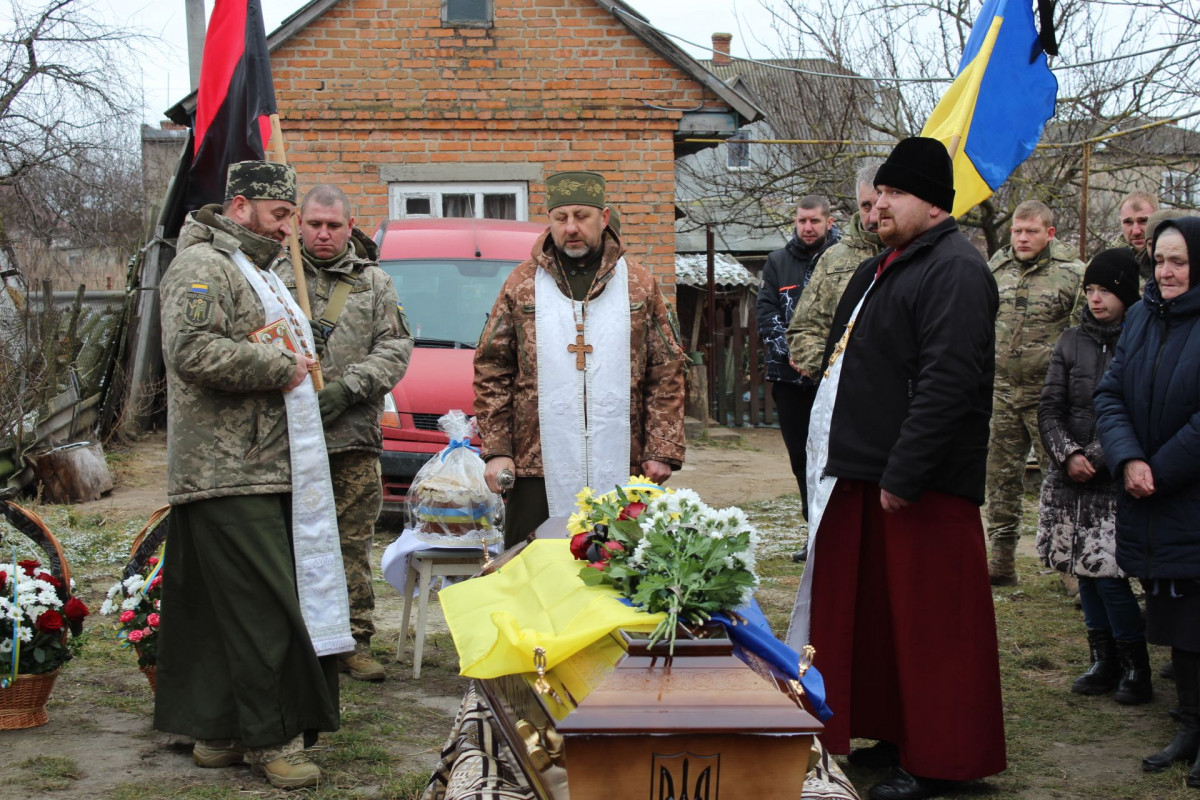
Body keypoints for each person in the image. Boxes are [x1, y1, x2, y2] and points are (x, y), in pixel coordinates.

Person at [786, 137, 1005, 800]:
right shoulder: (888, 265)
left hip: (920, 487)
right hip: (866, 476)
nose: (877, 205)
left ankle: (943, 760)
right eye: (876, 195)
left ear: (931, 203)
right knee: (881, 626)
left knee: (932, 628)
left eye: (891, 194)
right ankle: (895, 731)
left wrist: (904, 474)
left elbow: (948, 382)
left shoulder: (957, 272)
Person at [156, 161, 354, 790]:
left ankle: (217, 731)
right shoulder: (203, 267)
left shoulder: (256, 268)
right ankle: (271, 740)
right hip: (227, 468)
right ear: (240, 208)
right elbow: (190, 351)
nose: (290, 228)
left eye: (292, 215)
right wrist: (280, 364)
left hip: (259, 465)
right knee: (263, 609)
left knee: (219, 609)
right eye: (280, 215)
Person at [474, 171, 687, 547]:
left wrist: (662, 449)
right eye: (561, 218)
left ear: (603, 219)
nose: (571, 227)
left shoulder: (638, 283)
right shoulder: (521, 285)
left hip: (625, 459)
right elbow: (492, 368)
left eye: (581, 216)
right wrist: (497, 450)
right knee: (533, 571)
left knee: (619, 571)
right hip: (535, 463)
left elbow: (666, 371)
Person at [273, 184, 414, 682]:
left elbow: (395, 348)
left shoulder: (373, 283)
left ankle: (354, 640)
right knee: (288, 541)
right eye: (315, 224)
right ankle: (295, 640)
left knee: (350, 542)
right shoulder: (274, 276)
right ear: (298, 224)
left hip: (352, 437)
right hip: (285, 440)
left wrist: (348, 388)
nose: (324, 234)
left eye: (334, 225)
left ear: (350, 226)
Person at [1095, 217, 1200, 788]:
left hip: (1185, 490)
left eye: (1179, 261)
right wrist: (1129, 457)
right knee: (1178, 612)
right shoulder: (1139, 318)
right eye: (1160, 260)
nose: (1165, 271)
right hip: (1152, 494)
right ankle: (1189, 724)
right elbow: (1110, 393)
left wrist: (1157, 468)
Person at [1036, 248, 1150, 704]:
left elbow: (1135, 410)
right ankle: (1102, 659)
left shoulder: (1140, 339)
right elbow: (1049, 407)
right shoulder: (1070, 340)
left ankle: (1135, 666)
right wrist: (1067, 455)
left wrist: (1098, 457)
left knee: (1109, 573)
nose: (1097, 299)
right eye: (1092, 290)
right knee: (1081, 569)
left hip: (1112, 476)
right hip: (1069, 476)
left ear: (1125, 294)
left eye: (1106, 291)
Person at [984, 201, 1085, 585]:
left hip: (1051, 399)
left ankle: (1070, 568)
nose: (1022, 238)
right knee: (1000, 480)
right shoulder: (995, 269)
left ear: (1050, 233)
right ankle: (1002, 562)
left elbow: (1081, 337)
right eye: (1017, 231)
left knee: (1060, 479)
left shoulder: (1073, 275)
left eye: (1031, 231)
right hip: (1002, 392)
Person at [755, 195, 838, 515]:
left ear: (828, 222)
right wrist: (792, 353)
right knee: (800, 457)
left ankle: (831, 526)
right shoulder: (777, 261)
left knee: (831, 455)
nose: (807, 227)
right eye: (802, 221)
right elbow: (766, 312)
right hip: (788, 377)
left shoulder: (842, 260)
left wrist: (816, 357)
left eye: (814, 221)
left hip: (831, 377)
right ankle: (810, 525)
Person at [787, 162, 883, 382]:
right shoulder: (834, 259)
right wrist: (836, 373)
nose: (874, 216)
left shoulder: (917, 255)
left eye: (880, 204)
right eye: (866, 206)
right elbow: (803, 330)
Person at [1115, 190, 1160, 280]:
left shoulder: (1176, 263)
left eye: (1143, 221)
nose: (1136, 231)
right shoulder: (1105, 264)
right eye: (1128, 222)